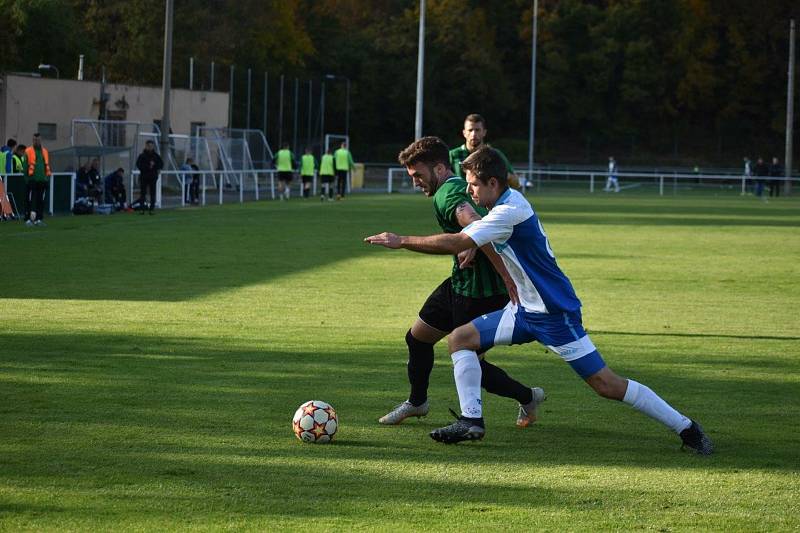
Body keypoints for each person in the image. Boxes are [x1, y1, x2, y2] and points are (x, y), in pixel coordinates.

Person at [365, 146, 713, 455]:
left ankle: (686, 427)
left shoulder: (507, 213)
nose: (468, 191)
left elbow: (456, 242)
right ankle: (472, 421)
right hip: (522, 310)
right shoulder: (502, 205)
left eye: (473, 184)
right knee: (460, 339)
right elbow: (471, 238)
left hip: (553, 313)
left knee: (606, 385)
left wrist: (401, 240)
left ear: (492, 184)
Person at [377, 137, 545, 429]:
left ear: (439, 168)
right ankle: (417, 402)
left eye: (418, 175)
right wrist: (471, 243)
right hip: (460, 282)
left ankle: (527, 396)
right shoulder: (453, 188)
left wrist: (502, 272)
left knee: (469, 360)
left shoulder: (448, 194)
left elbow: (472, 221)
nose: (415, 182)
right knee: (417, 338)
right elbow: (478, 223)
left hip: (481, 292)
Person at [449, 114, 521, 190]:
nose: (473, 134)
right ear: (464, 133)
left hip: (487, 201)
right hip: (461, 200)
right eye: (470, 130)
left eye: (477, 130)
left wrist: (500, 174)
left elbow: (516, 183)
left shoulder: (494, 154)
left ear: (484, 132)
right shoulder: (453, 155)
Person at [23, 133, 51, 226]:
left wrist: (46, 178)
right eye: (35, 140)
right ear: (32, 140)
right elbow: (25, 166)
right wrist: (27, 179)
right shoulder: (28, 151)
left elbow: (46, 165)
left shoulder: (45, 152)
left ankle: (39, 219)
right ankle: (28, 219)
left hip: (42, 180)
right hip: (32, 180)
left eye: (38, 140)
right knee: (30, 200)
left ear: (41, 140)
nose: (36, 142)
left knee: (40, 201)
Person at [135, 140, 163, 214]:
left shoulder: (156, 156)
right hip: (144, 176)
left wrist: (155, 167)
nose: (150, 147)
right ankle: (142, 209)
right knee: (143, 193)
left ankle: (151, 208)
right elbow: (138, 165)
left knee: (152, 193)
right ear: (146, 146)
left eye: (151, 146)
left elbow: (160, 164)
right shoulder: (142, 156)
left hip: (153, 177)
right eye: (149, 146)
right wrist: (148, 166)